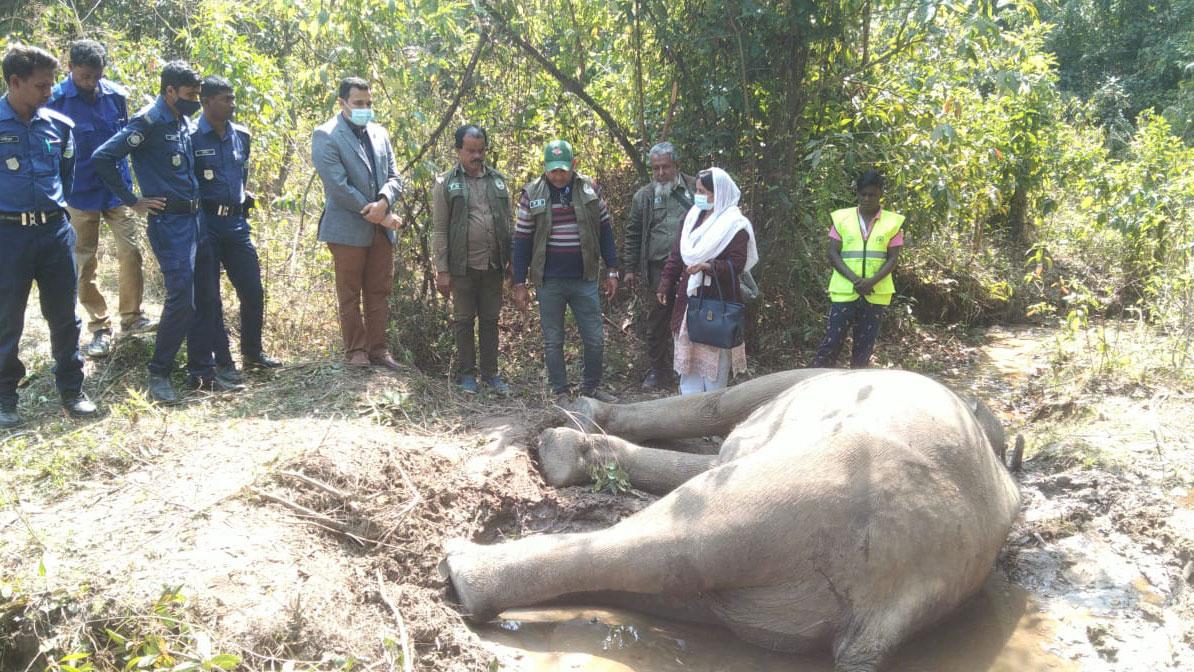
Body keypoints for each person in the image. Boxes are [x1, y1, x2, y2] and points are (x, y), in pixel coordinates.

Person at [93, 60, 227, 402]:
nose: (195, 100)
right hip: (170, 225)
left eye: (198, 95)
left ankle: (201, 372)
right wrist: (133, 200)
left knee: (204, 296)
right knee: (181, 298)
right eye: (189, 94)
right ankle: (159, 373)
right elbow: (103, 157)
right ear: (169, 91)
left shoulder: (182, 120)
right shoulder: (148, 121)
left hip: (197, 222)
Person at [0, 45, 97, 427]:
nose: (48, 92)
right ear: (15, 82)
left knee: (64, 316)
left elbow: (66, 177)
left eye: (51, 84)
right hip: (8, 236)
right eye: (41, 86)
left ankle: (73, 391)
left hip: (54, 231)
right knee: (7, 319)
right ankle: (5, 397)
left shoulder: (60, 126)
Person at [47, 39, 155, 359]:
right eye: (84, 76)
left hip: (118, 190)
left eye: (95, 75)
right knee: (84, 261)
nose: (90, 82)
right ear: (70, 69)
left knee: (131, 251)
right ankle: (99, 326)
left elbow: (126, 143)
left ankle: (132, 317)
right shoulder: (55, 101)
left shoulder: (117, 96)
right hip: (79, 193)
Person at [511, 139, 620, 404]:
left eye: (563, 169)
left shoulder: (590, 190)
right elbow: (522, 239)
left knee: (594, 338)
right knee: (553, 340)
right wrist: (519, 282)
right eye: (553, 170)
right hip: (549, 280)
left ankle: (590, 389)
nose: (558, 175)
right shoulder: (532, 193)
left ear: (573, 165)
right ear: (545, 167)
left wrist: (613, 270)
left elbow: (605, 231)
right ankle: (561, 393)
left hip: (585, 277)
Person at [311, 77, 405, 371]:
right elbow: (339, 187)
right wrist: (378, 213)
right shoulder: (326, 135)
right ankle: (356, 351)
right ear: (342, 103)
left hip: (380, 226)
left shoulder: (380, 133)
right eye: (358, 103)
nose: (365, 108)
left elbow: (395, 177)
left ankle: (378, 349)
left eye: (368, 103)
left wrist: (384, 202)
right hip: (347, 229)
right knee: (349, 292)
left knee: (379, 290)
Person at [192, 75, 281, 382]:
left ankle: (253, 353)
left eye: (233, 98)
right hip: (206, 224)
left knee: (253, 290)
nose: (232, 104)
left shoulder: (241, 135)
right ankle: (223, 362)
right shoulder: (190, 136)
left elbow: (241, 174)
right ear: (206, 102)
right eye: (225, 99)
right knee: (210, 296)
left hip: (235, 223)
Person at [657, 167, 758, 395]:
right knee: (689, 365)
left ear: (718, 194)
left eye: (703, 192)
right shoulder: (691, 217)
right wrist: (665, 282)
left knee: (714, 366)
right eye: (697, 190)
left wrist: (708, 267)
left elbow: (737, 265)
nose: (698, 196)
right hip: (689, 300)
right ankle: (690, 417)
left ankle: (712, 416)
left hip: (717, 303)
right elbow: (677, 254)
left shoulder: (735, 225)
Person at [432, 124, 511, 394]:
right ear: (458, 151)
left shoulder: (498, 181)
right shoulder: (446, 183)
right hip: (462, 266)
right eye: (470, 151)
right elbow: (440, 228)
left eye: (481, 150)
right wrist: (442, 270)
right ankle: (467, 376)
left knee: (490, 320)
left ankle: (491, 374)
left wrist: (512, 263)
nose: (477, 156)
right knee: (464, 320)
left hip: (493, 265)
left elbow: (507, 223)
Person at [812, 170, 904, 368]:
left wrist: (871, 282)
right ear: (857, 193)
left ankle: (855, 394)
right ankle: (811, 385)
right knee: (831, 343)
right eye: (863, 194)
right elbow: (832, 253)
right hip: (845, 291)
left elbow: (893, 258)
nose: (867, 198)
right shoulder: (842, 219)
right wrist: (856, 280)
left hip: (875, 293)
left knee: (864, 349)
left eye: (872, 194)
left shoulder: (892, 223)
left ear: (880, 194)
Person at [623, 141, 696, 390]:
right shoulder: (643, 197)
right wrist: (630, 269)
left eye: (665, 167)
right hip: (658, 269)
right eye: (656, 168)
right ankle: (658, 371)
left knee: (689, 318)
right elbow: (632, 233)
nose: (661, 173)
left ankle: (686, 371)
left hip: (691, 267)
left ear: (676, 165)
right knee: (657, 321)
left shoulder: (696, 189)